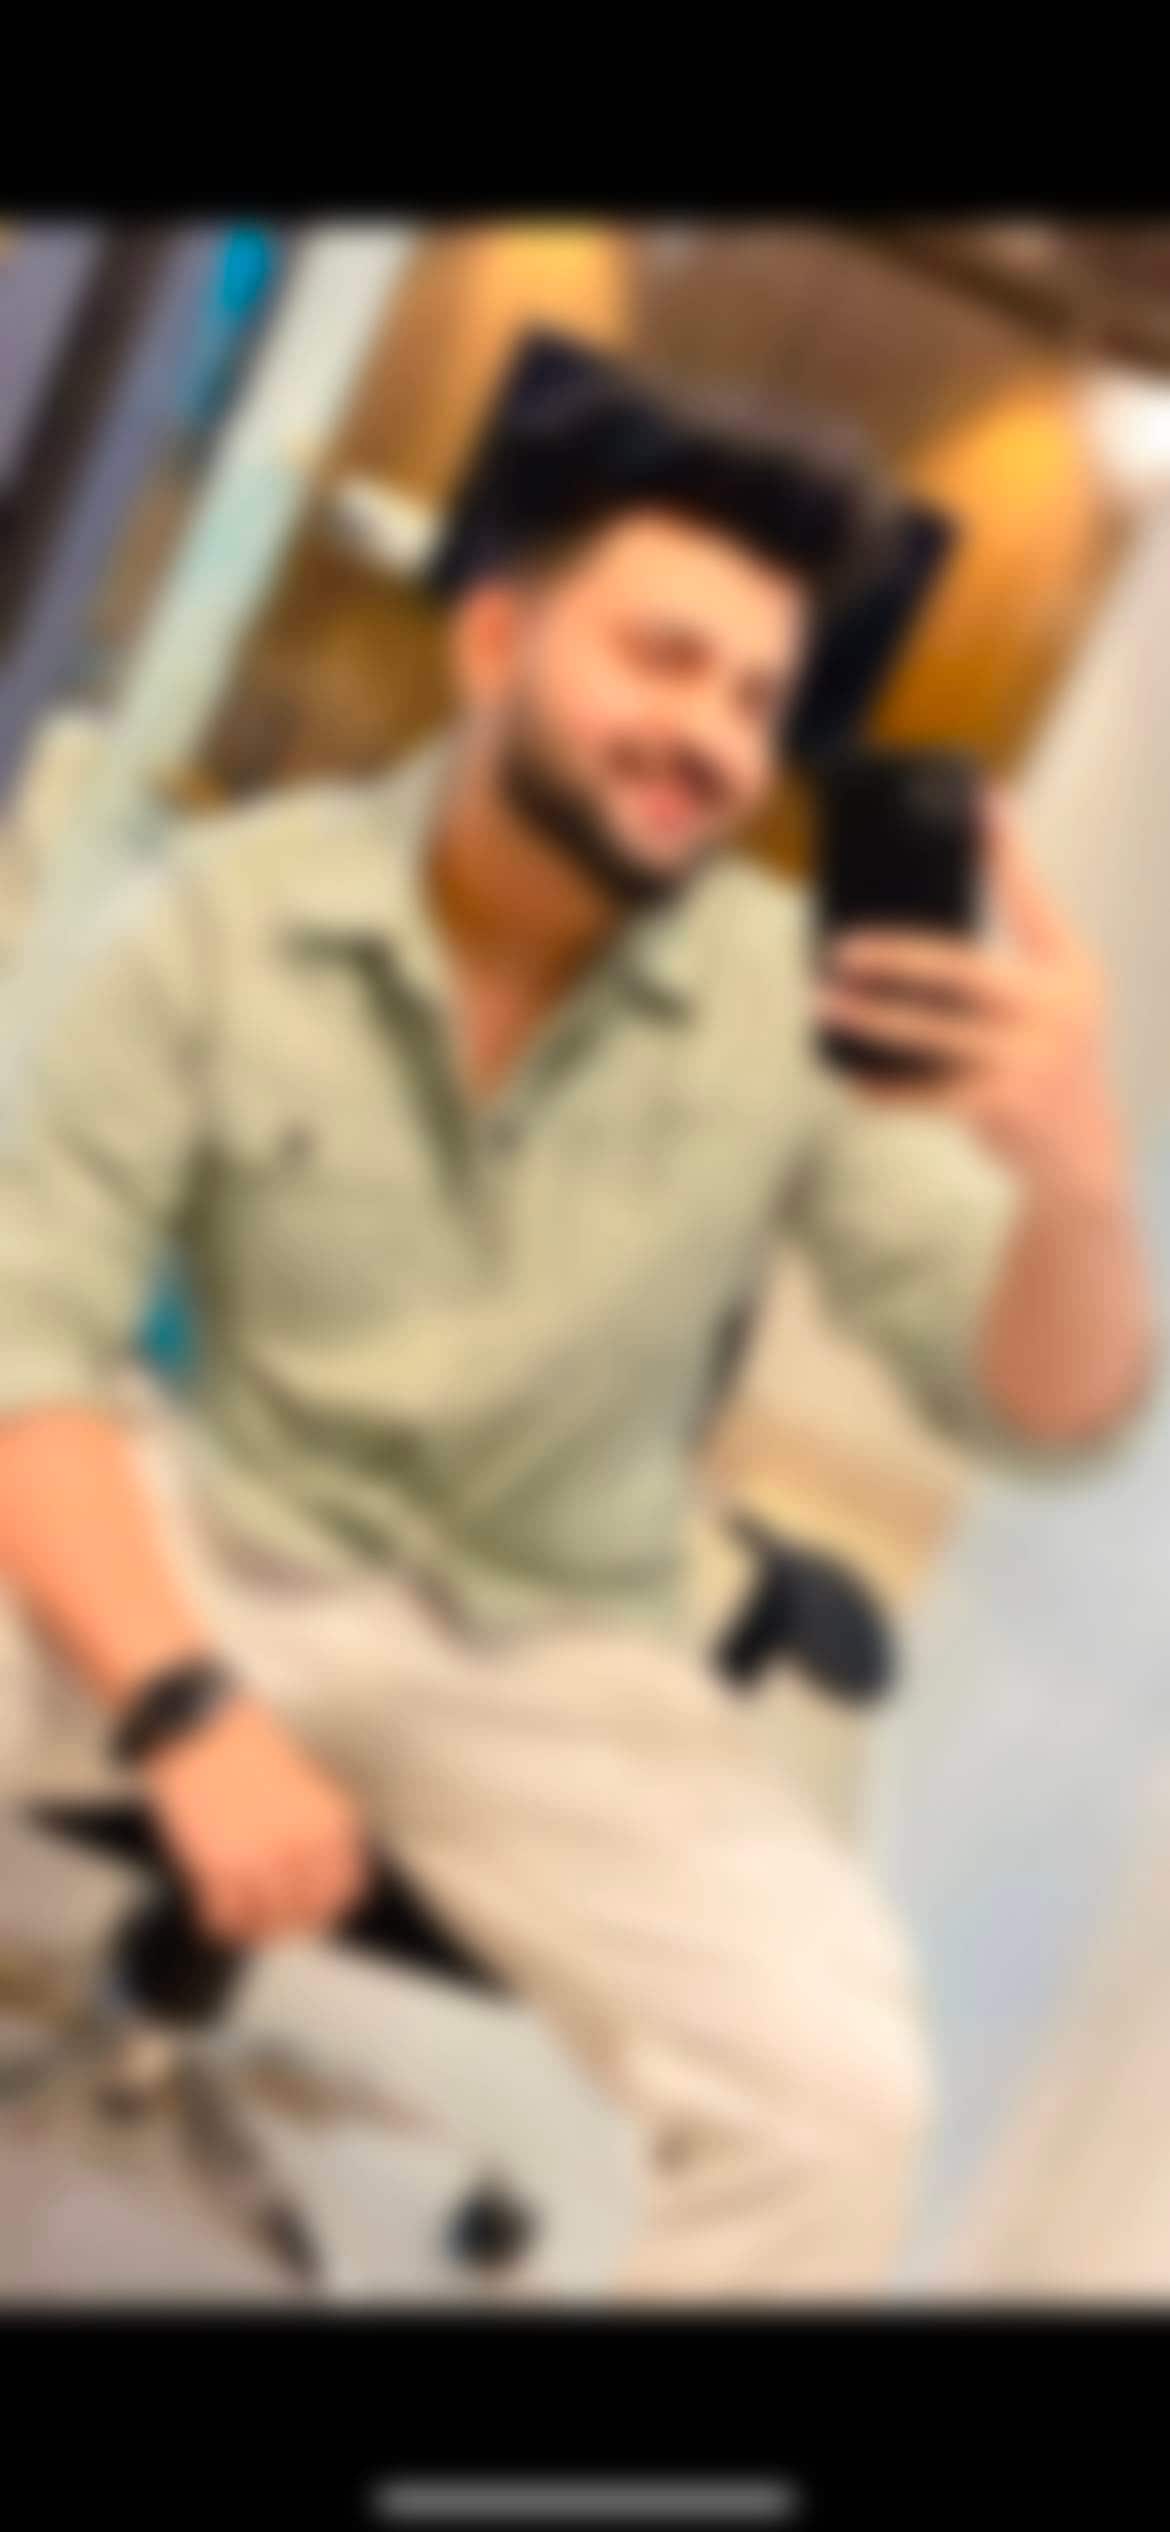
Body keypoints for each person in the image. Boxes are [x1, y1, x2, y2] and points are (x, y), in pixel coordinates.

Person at [0, 340, 1158, 2300]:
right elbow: (25, 1343)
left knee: (836, 2097)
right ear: (495, 643)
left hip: (557, 1651)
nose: (707, 731)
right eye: (661, 657)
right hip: (227, 1538)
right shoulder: (223, 913)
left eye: (754, 699)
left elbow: (1044, 1411)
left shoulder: (793, 1001)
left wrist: (1078, 1182)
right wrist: (185, 1702)